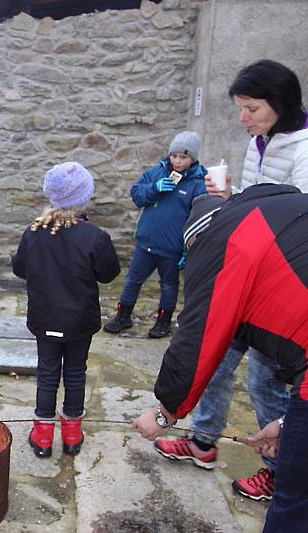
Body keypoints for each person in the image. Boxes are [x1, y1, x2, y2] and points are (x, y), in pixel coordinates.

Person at [153, 59, 307, 502]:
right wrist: (231, 199)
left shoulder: (304, 148)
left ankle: (279, 469)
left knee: (265, 381)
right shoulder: (260, 141)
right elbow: (257, 203)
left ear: (280, 103)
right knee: (216, 359)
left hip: (274, 285)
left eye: (251, 108)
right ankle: (202, 441)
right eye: (240, 108)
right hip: (244, 269)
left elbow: (295, 217)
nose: (243, 118)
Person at [132, 185, 308, 532]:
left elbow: (198, 340)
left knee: (294, 503)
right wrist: (289, 426)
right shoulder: (270, 211)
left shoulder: (222, 242)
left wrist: (164, 413)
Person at [11, 162, 120, 457]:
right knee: (75, 373)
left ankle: (43, 437)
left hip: (44, 318)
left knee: (47, 374)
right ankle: (72, 436)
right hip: (78, 322)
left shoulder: (33, 232)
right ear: (84, 198)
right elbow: (109, 273)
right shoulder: (94, 236)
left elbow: (20, 268)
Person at [103, 132, 207, 338]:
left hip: (171, 248)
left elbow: (198, 218)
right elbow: (137, 196)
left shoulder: (198, 183)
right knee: (132, 280)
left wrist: (187, 251)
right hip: (145, 242)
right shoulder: (155, 174)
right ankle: (123, 316)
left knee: (168, 285)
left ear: (193, 159)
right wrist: (154, 189)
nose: (177, 161)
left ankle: (163, 321)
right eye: (174, 156)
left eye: (183, 157)